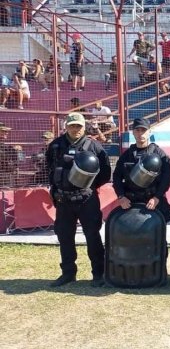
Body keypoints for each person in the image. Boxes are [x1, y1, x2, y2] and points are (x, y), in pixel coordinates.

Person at [45, 112, 112, 287]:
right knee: (65, 237)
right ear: (66, 126)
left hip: (86, 199)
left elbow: (105, 173)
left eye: (79, 126)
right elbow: (50, 169)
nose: (75, 129)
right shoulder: (55, 146)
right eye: (72, 126)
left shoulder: (94, 146)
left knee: (92, 236)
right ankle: (68, 273)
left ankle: (98, 274)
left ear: (84, 127)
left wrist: (89, 185)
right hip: (63, 200)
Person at [113, 118, 170, 222]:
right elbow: (117, 177)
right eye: (137, 130)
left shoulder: (159, 154)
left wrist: (157, 197)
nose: (140, 133)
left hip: (153, 200)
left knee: (157, 233)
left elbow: (167, 178)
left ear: (149, 132)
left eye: (143, 130)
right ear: (133, 132)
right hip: (130, 201)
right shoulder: (126, 155)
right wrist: (121, 196)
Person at [0, 122, 19, 187]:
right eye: (3, 131)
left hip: (6, 175)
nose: (7, 133)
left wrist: (17, 151)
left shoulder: (5, 146)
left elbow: (19, 160)